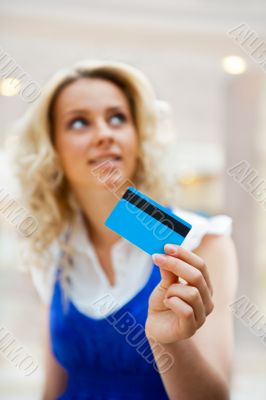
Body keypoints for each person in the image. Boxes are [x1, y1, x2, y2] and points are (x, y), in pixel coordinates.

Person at [10, 60, 238, 400]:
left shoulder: (202, 242)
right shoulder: (54, 249)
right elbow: (54, 388)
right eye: (79, 122)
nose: (105, 133)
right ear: (52, 150)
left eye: (118, 118)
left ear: (137, 137)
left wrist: (168, 343)